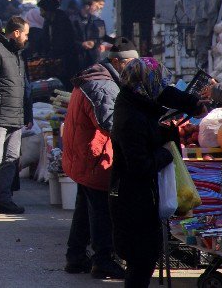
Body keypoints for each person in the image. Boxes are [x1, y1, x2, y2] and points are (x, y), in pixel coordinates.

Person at [109, 57, 201, 287]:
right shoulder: (131, 118)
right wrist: (167, 152)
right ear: (146, 83)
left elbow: (165, 94)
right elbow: (140, 165)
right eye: (157, 81)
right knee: (141, 263)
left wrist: (194, 103)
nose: (160, 87)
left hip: (138, 196)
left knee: (142, 262)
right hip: (133, 200)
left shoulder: (135, 99)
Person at [62, 38, 139, 279]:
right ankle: (103, 259)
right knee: (101, 211)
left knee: (85, 209)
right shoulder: (102, 86)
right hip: (95, 158)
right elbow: (111, 124)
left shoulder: (97, 78)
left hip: (85, 156)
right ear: (116, 61)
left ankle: (75, 257)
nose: (133, 69)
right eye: (130, 64)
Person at [0, 16, 32, 216]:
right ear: (16, 33)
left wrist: (27, 113)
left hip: (16, 117)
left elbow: (24, 86)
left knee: (11, 159)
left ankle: (4, 199)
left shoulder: (19, 54)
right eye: (25, 33)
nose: (27, 38)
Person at [37, 0, 79, 89]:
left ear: (48, 10)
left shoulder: (63, 21)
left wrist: (51, 54)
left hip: (66, 63)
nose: (41, 14)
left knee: (66, 86)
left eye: (42, 10)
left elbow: (63, 43)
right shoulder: (48, 21)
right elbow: (44, 40)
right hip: (54, 62)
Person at [71, 0, 107, 71]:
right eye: (94, 5)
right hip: (76, 58)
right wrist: (81, 44)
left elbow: (102, 37)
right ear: (87, 6)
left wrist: (94, 43)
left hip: (93, 58)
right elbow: (67, 38)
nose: (96, 8)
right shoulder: (72, 20)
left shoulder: (97, 20)